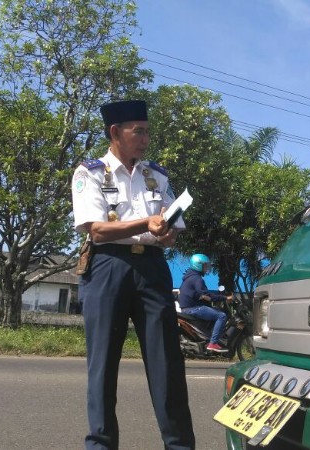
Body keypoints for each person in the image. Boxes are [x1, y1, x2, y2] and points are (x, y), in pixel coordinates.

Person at [71, 99, 195, 450]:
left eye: (147, 131)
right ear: (115, 133)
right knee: (103, 365)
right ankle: (100, 445)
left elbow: (171, 223)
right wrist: (145, 222)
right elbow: (95, 229)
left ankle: (181, 445)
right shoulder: (90, 172)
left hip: (153, 269)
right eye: (137, 131)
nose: (145, 138)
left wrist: (169, 232)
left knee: (167, 363)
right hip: (108, 266)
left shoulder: (156, 174)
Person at [177, 253, 231, 353]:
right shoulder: (197, 279)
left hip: (188, 308)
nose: (207, 268)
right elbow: (206, 294)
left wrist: (212, 299)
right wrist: (224, 298)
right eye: (205, 265)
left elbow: (201, 295)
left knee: (215, 312)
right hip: (192, 309)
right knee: (221, 316)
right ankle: (213, 343)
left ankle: (208, 338)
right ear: (198, 265)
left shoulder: (189, 277)